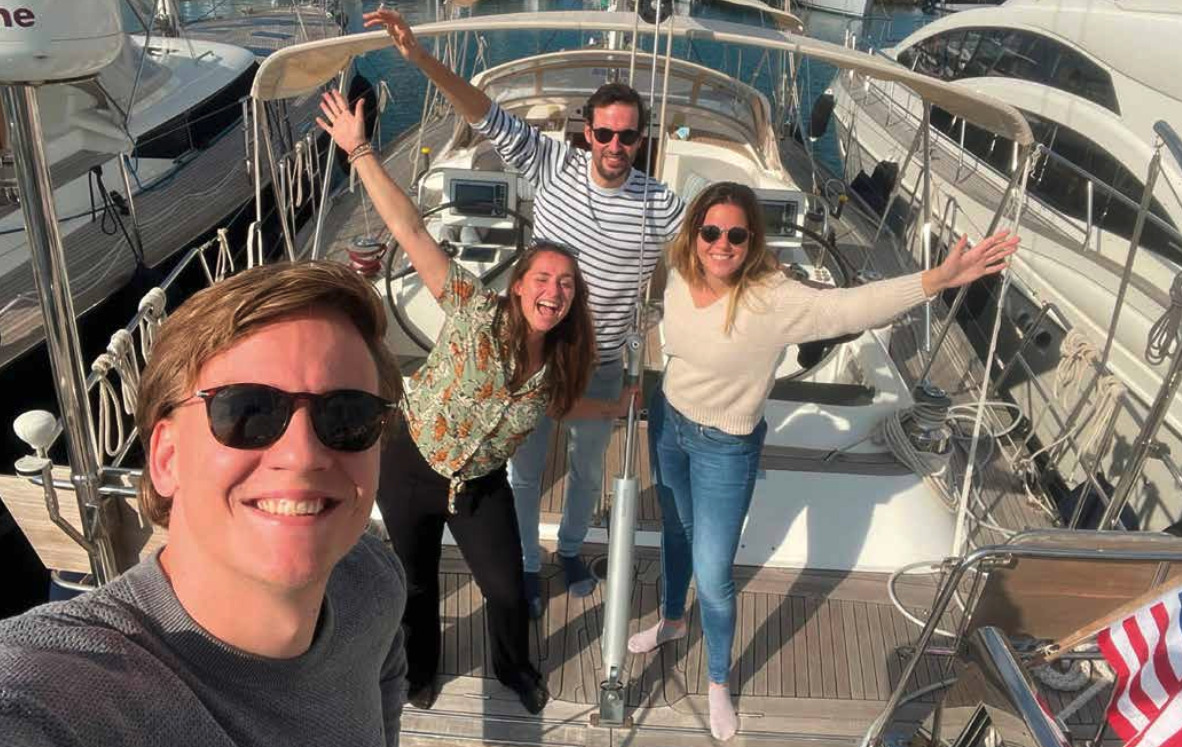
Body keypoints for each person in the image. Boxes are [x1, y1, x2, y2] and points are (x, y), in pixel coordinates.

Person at [627, 182, 1021, 741]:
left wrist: (937, 279)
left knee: (713, 575)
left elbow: (849, 308)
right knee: (675, 533)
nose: (722, 244)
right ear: (694, 235)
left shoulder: (773, 298)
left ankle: (718, 679)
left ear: (752, 240)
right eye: (711, 232)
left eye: (736, 235)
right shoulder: (677, 272)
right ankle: (670, 620)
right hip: (669, 424)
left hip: (726, 447)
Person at [0, 260, 409, 746]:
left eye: (348, 417)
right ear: (167, 457)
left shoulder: (374, 578)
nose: (303, 455)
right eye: (248, 411)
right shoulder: (58, 693)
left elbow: (385, 694)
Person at [317, 89, 633, 713]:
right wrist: (358, 149)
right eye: (543, 279)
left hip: (479, 483)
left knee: (509, 589)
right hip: (410, 464)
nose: (554, 291)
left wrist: (621, 405)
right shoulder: (471, 309)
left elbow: (559, 411)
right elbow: (408, 227)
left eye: (566, 286)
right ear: (518, 288)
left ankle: (514, 669)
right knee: (414, 585)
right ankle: (419, 674)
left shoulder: (562, 362)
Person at [364, 9, 685, 617]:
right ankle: (529, 564)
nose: (617, 147)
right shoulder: (551, 165)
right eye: (606, 134)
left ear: (642, 139)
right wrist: (418, 59)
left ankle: (569, 550)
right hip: (526, 361)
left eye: (630, 136)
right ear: (585, 131)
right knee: (525, 472)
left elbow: (706, 257)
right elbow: (482, 113)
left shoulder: (661, 204)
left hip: (602, 361)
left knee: (589, 472)